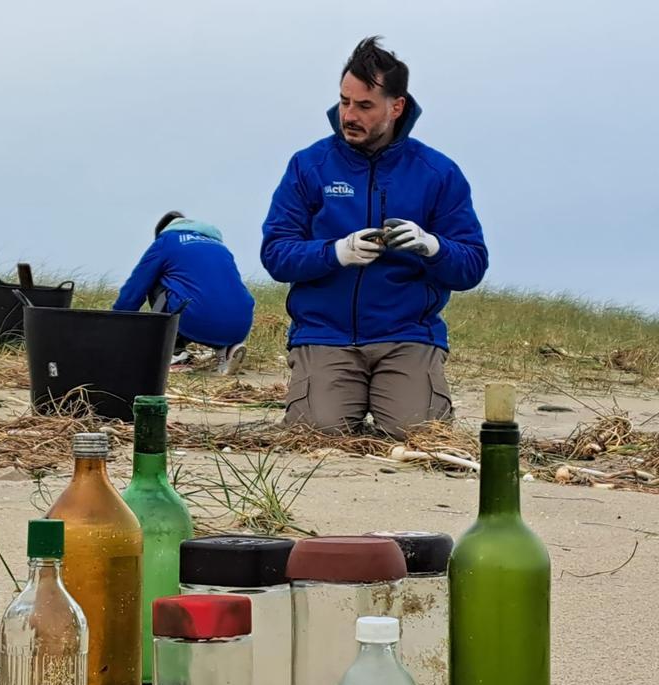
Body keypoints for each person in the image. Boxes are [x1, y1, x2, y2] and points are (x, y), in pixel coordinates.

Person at [260, 37, 488, 437]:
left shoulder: (437, 172)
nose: (349, 114)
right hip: (325, 334)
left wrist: (432, 246)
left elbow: (471, 265)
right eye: (345, 101)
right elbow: (276, 254)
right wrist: (336, 253)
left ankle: (399, 398)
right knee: (317, 434)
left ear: (396, 107)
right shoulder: (309, 165)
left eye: (364, 106)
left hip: (407, 334)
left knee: (419, 435)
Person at [113, 211, 255, 376]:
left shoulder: (166, 242)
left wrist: (117, 324)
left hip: (197, 319)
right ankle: (227, 350)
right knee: (213, 292)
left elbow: (135, 287)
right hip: (240, 325)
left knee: (156, 281)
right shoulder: (220, 248)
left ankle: (174, 351)